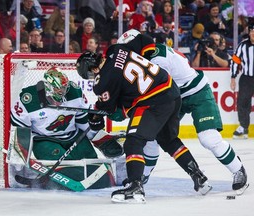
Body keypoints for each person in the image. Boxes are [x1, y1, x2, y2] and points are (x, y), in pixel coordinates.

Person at [116, 29, 248, 195]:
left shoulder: (157, 57)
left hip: (195, 93)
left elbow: (152, 92)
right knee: (152, 138)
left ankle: (238, 169)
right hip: (173, 97)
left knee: (208, 138)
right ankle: (142, 178)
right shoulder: (145, 56)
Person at [76, 49, 211, 203]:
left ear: (94, 68)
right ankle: (199, 177)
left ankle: (135, 186)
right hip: (171, 91)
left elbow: (106, 108)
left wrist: (94, 119)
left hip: (152, 100)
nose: (93, 78)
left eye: (91, 74)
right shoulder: (117, 50)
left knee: (133, 141)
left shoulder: (104, 79)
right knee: (168, 140)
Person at [10, 66, 122, 189]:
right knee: (67, 167)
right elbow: (21, 131)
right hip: (45, 140)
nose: (62, 92)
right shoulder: (28, 100)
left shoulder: (74, 92)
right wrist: (20, 157)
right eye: (59, 89)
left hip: (74, 137)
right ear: (48, 87)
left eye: (64, 88)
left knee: (92, 164)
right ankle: (58, 180)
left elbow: (83, 121)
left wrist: (101, 139)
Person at [230, 23, 254, 139]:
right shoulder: (243, 45)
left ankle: (244, 126)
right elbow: (235, 61)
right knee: (242, 102)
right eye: (252, 31)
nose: (253, 34)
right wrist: (233, 77)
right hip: (246, 78)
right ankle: (243, 126)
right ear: (249, 33)